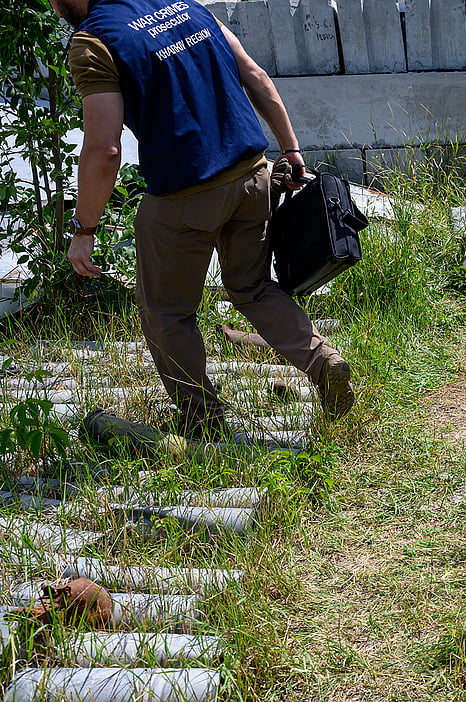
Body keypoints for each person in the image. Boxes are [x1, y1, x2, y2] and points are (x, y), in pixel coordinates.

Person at [48, 0, 355, 434]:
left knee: (166, 313)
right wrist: (290, 150)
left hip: (182, 197)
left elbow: (105, 150)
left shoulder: (94, 41)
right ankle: (322, 360)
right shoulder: (186, 6)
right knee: (252, 287)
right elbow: (255, 75)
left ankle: (203, 422)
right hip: (252, 177)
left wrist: (84, 229)